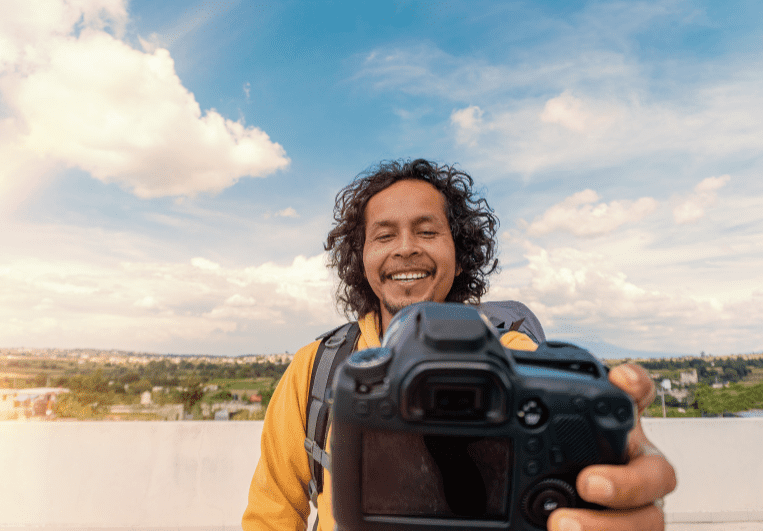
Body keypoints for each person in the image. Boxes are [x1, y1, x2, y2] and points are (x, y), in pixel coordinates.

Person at [243, 159, 676, 531]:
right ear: (361, 257)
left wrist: (612, 458)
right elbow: (271, 516)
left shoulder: (516, 356)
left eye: (427, 231)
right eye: (384, 235)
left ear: (460, 251)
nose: (406, 248)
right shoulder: (315, 370)